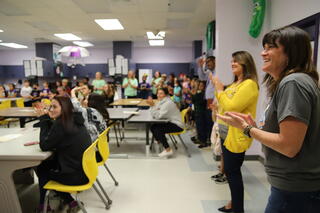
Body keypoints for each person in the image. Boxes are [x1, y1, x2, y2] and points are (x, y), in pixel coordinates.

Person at [218, 26, 320, 213]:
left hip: (295, 188)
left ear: (291, 52)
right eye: (264, 47)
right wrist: (255, 127)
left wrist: (248, 129)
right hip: (294, 186)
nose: (263, 53)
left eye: (270, 47)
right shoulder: (293, 82)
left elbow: (289, 146)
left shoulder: (293, 83)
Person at [212, 51, 259, 213]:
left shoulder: (249, 84)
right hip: (226, 132)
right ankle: (234, 203)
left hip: (237, 135)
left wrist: (219, 90)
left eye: (236, 62)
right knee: (230, 172)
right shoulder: (234, 84)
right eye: (232, 61)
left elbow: (232, 107)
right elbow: (224, 105)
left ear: (246, 64)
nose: (232, 64)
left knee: (233, 172)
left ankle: (238, 209)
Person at [34, 96, 91, 212]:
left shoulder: (61, 124)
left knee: (41, 168)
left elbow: (44, 146)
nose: (50, 109)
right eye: (50, 106)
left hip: (75, 177)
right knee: (47, 165)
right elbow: (60, 137)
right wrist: (48, 121)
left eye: (54, 106)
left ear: (64, 108)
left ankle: (43, 207)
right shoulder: (75, 119)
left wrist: (43, 119)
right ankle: (70, 201)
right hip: (86, 171)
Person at [148, 88, 184, 158]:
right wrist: (154, 107)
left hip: (177, 125)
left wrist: (152, 106)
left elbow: (158, 116)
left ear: (166, 94)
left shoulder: (168, 103)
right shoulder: (161, 101)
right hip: (170, 121)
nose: (158, 95)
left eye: (161, 93)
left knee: (157, 129)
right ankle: (160, 142)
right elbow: (154, 114)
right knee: (153, 126)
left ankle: (168, 149)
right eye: (158, 93)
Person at [197, 56, 216, 146]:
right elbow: (202, 77)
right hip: (208, 100)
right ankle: (208, 139)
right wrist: (200, 66)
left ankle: (210, 140)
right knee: (207, 121)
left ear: (215, 61)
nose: (207, 64)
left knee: (210, 121)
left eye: (209, 62)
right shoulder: (210, 72)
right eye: (206, 62)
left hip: (213, 101)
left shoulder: (218, 72)